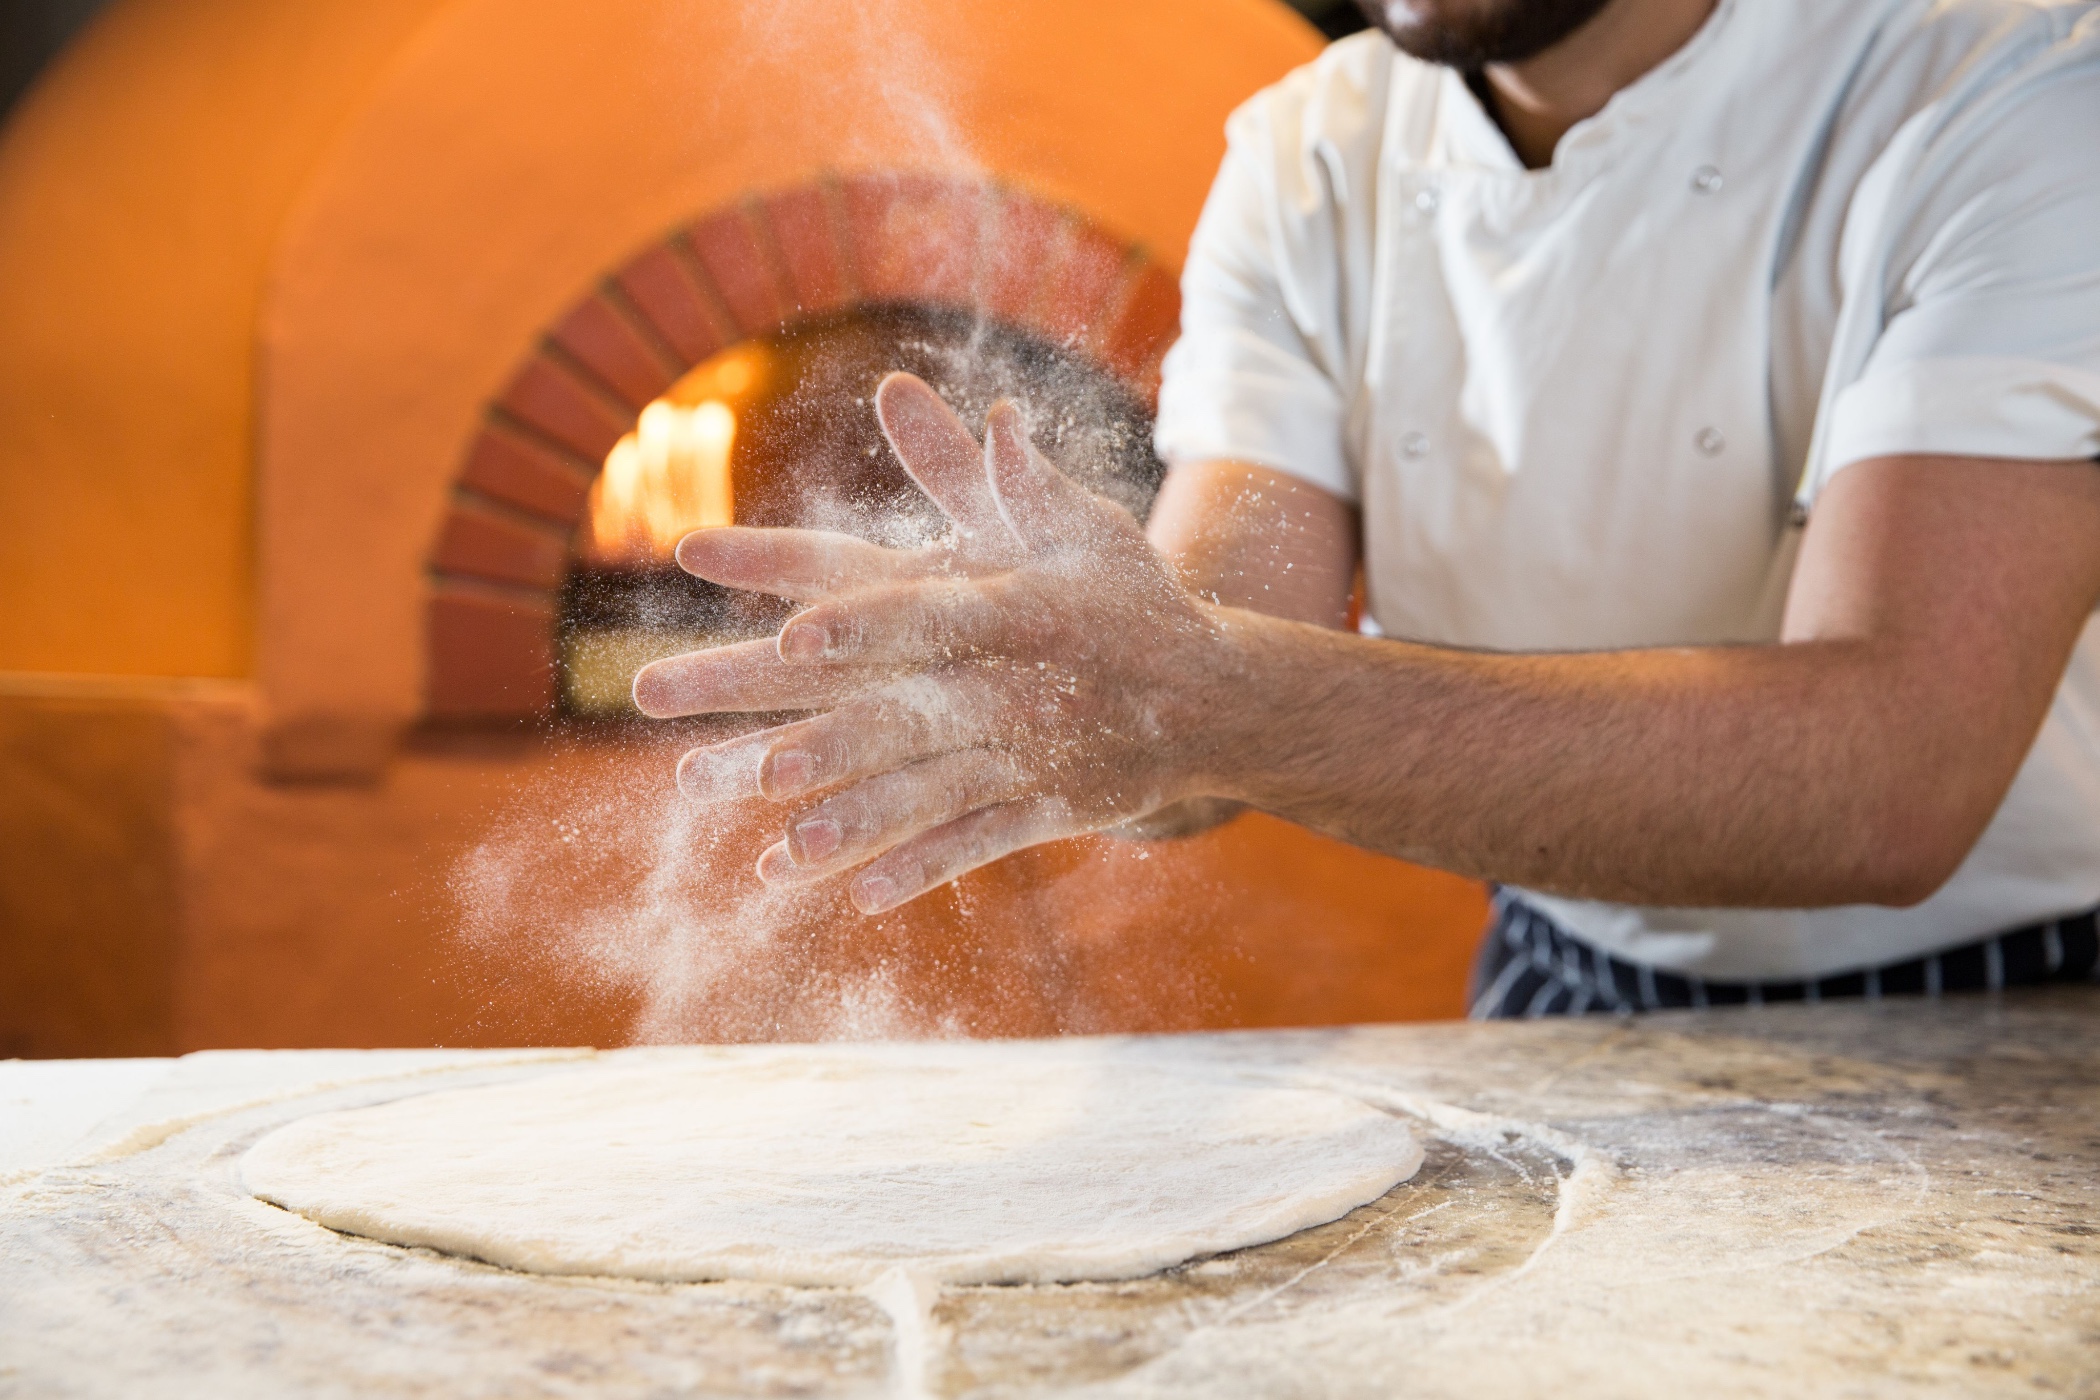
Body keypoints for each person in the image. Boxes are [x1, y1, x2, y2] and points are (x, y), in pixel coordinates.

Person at [634, 0, 2100, 1017]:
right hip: (1560, 967)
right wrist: (1066, 666)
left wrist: (1194, 696)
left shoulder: (2013, 96)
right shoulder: (1309, 153)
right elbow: (1205, 685)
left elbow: (1890, 784)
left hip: (2015, 992)